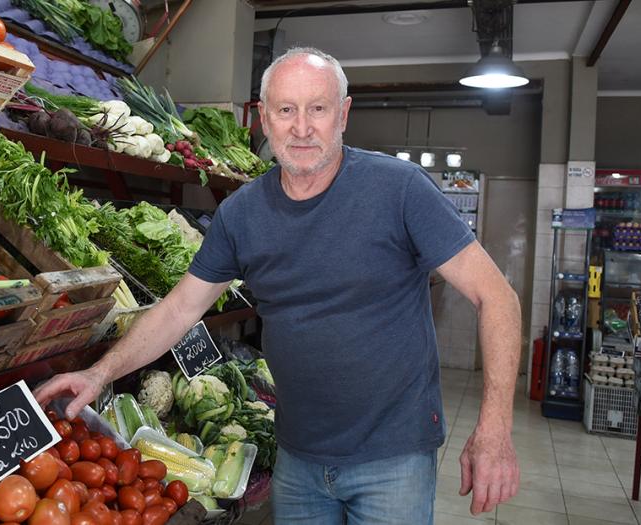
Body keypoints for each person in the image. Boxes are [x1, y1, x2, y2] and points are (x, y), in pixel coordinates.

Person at [35, 46, 522, 524]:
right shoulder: (242, 214)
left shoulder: (400, 190)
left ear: (344, 114)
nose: (302, 127)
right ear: (264, 119)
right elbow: (179, 310)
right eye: (286, 110)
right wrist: (100, 374)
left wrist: (495, 428)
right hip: (298, 459)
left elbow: (496, 297)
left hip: (392, 458)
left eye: (318, 109)